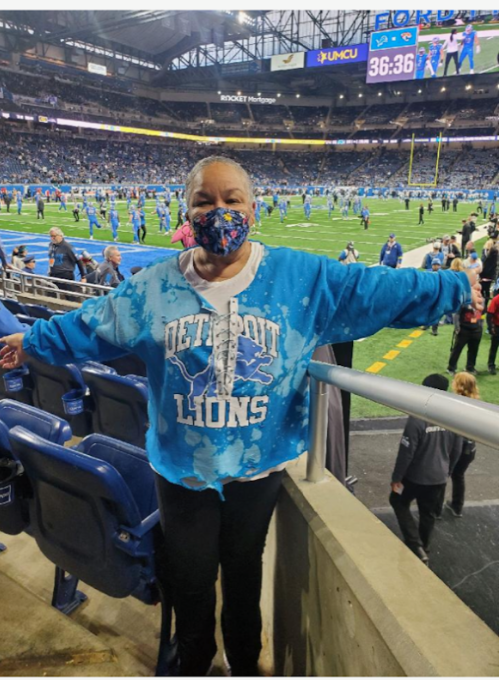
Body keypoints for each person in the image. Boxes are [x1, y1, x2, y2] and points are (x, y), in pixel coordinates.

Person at [0, 156, 482, 677]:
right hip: (182, 468)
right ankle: (194, 661)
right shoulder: (153, 288)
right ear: (187, 213)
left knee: (244, 574)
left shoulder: (301, 278)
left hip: (257, 468)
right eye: (205, 201)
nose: (220, 211)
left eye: (231, 200)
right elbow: (91, 324)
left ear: (252, 207)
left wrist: (454, 288)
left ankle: (246, 664)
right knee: (189, 580)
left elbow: (376, 289)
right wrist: (31, 342)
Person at [389, 374, 463, 564]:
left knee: (397, 501)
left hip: (415, 477)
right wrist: (447, 471)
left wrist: (397, 477)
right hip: (438, 478)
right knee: (428, 513)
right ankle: (424, 547)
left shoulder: (418, 418)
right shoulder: (453, 417)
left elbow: (406, 453)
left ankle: (415, 544)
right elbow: (457, 449)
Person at [440, 373, 479, 518]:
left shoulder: (454, 403)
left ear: (458, 385)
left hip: (455, 448)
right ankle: (457, 506)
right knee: (458, 476)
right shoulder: (477, 404)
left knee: (443, 476)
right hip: (470, 449)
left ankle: (436, 509)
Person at [447, 301, 483, 376]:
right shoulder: (464, 300)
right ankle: (451, 368)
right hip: (464, 330)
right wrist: (457, 327)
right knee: (457, 349)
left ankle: (470, 367)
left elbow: (481, 313)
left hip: (476, 330)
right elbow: (456, 314)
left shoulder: (480, 300)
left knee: (474, 350)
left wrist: (480, 327)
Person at [47, 228, 86, 292]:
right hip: (54, 274)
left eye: (54, 236)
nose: (52, 238)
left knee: (68, 296)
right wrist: (50, 269)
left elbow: (78, 260)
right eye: (51, 236)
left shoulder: (68, 247)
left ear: (60, 235)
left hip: (65, 275)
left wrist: (83, 276)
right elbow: (51, 257)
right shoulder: (51, 245)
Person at [487, 291, 499, 375]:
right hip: (497, 326)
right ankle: (491, 365)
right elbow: (490, 314)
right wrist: (491, 327)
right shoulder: (496, 299)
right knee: (494, 347)